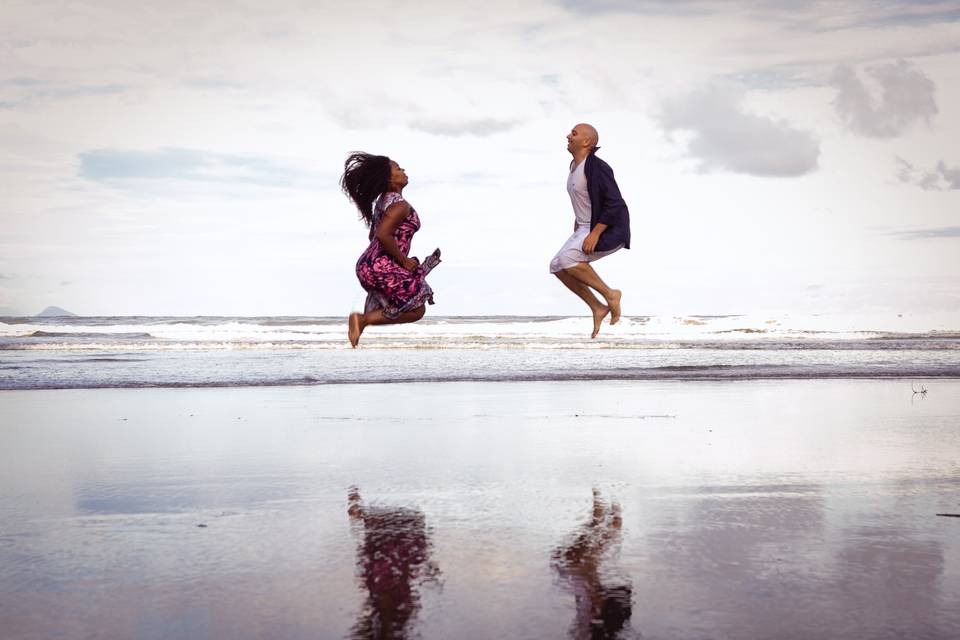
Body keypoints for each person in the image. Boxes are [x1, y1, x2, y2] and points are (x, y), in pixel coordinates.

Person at [340, 152, 441, 347]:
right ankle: (362, 320)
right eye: (397, 168)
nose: (403, 170)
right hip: (380, 265)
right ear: (389, 179)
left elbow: (373, 236)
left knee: (403, 303)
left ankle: (362, 321)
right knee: (417, 309)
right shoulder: (399, 205)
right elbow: (382, 235)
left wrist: (399, 258)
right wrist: (403, 260)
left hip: (370, 265)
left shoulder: (382, 203)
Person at [550, 124, 631, 338]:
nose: (568, 135)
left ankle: (610, 294)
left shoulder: (597, 166)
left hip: (604, 227)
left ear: (586, 142)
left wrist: (595, 233)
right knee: (557, 266)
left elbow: (615, 203)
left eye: (574, 133)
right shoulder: (573, 166)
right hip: (583, 225)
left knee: (568, 259)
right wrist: (577, 221)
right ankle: (597, 307)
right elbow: (585, 198)